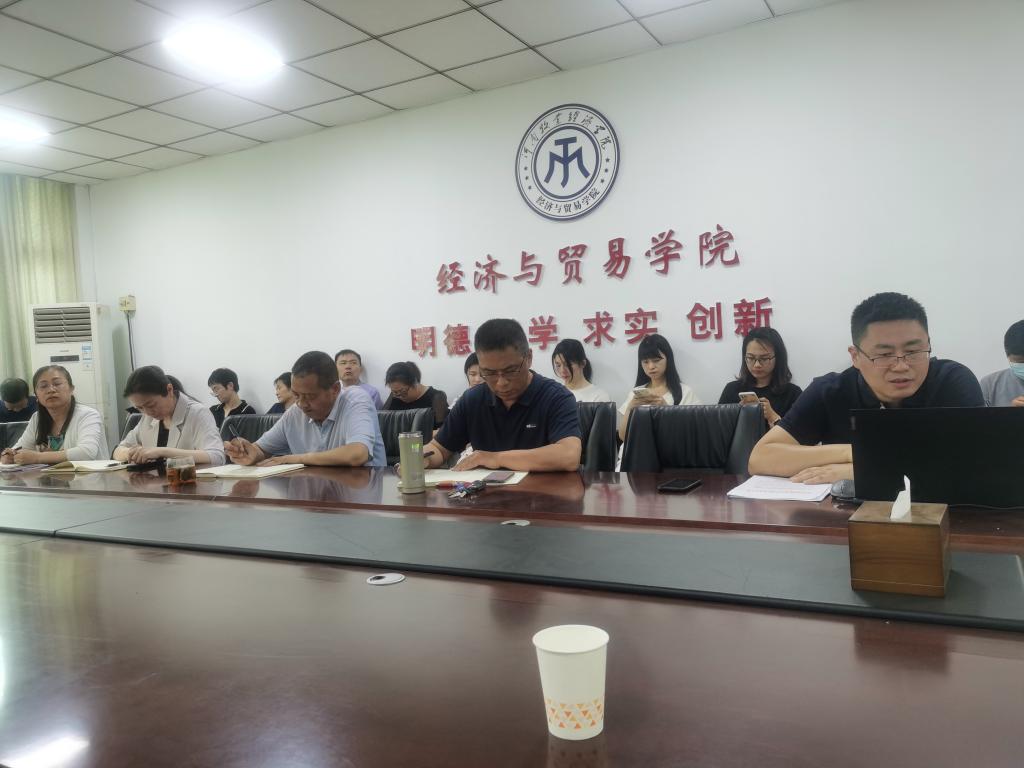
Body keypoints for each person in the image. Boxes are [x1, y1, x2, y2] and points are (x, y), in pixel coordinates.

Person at [748, 292, 984, 484]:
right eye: (884, 355)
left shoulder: (951, 381)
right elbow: (760, 458)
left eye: (913, 351)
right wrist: (853, 454)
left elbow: (974, 462)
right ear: (855, 356)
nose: (901, 366)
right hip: (848, 518)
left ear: (929, 345)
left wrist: (863, 470)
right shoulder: (830, 391)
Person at [423, 319, 581, 471]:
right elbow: (439, 449)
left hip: (543, 489)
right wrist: (420, 459)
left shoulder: (556, 397)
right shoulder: (472, 399)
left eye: (511, 371)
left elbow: (569, 455)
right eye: (489, 373)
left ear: (529, 358)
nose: (501, 383)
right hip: (486, 489)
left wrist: (495, 458)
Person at [225, 351, 386, 467]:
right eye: (296, 395)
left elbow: (357, 454)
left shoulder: (356, 400)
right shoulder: (295, 412)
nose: (301, 403)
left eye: (310, 396)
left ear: (335, 389)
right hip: (313, 498)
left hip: (360, 497)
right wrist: (250, 453)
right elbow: (262, 449)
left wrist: (294, 459)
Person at [113, 365, 225, 466]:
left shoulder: (198, 413)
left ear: (169, 390)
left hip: (190, 481)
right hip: (154, 482)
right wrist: (131, 453)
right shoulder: (147, 418)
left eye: (151, 405)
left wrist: (162, 451)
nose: (147, 412)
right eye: (140, 408)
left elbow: (217, 456)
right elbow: (118, 450)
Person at [1, 365, 108, 465]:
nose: (51, 390)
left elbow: (86, 452)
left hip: (91, 478)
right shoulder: (36, 418)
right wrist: (9, 456)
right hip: (49, 478)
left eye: (57, 384)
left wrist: (38, 457)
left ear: (71, 389)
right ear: (36, 395)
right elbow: (20, 448)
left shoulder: (88, 415)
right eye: (43, 386)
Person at [618, 334, 699, 442]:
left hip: (671, 450)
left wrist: (666, 411)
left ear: (668, 359)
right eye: (645, 362)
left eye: (656, 360)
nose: (651, 366)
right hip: (638, 450)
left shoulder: (685, 392)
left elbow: (692, 433)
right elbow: (623, 436)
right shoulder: (635, 394)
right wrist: (630, 409)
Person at [718, 328, 803, 427]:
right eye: (751, 358)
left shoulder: (792, 394)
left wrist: (773, 417)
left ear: (778, 358)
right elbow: (718, 429)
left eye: (764, 358)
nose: (757, 365)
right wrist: (736, 414)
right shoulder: (731, 389)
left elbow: (800, 434)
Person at [382, 361, 449, 429]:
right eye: (395, 392)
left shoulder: (437, 398)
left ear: (414, 383)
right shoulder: (395, 397)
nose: (399, 396)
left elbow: (442, 431)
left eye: (402, 391)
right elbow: (382, 422)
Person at [979, 320, 1024, 407]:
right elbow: (978, 416)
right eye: (1021, 362)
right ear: (1008, 356)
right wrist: (1011, 413)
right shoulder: (990, 385)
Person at [551, 339, 611, 403]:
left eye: (568, 365)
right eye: (558, 365)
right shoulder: (554, 394)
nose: (562, 370)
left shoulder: (599, 396)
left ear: (582, 363)